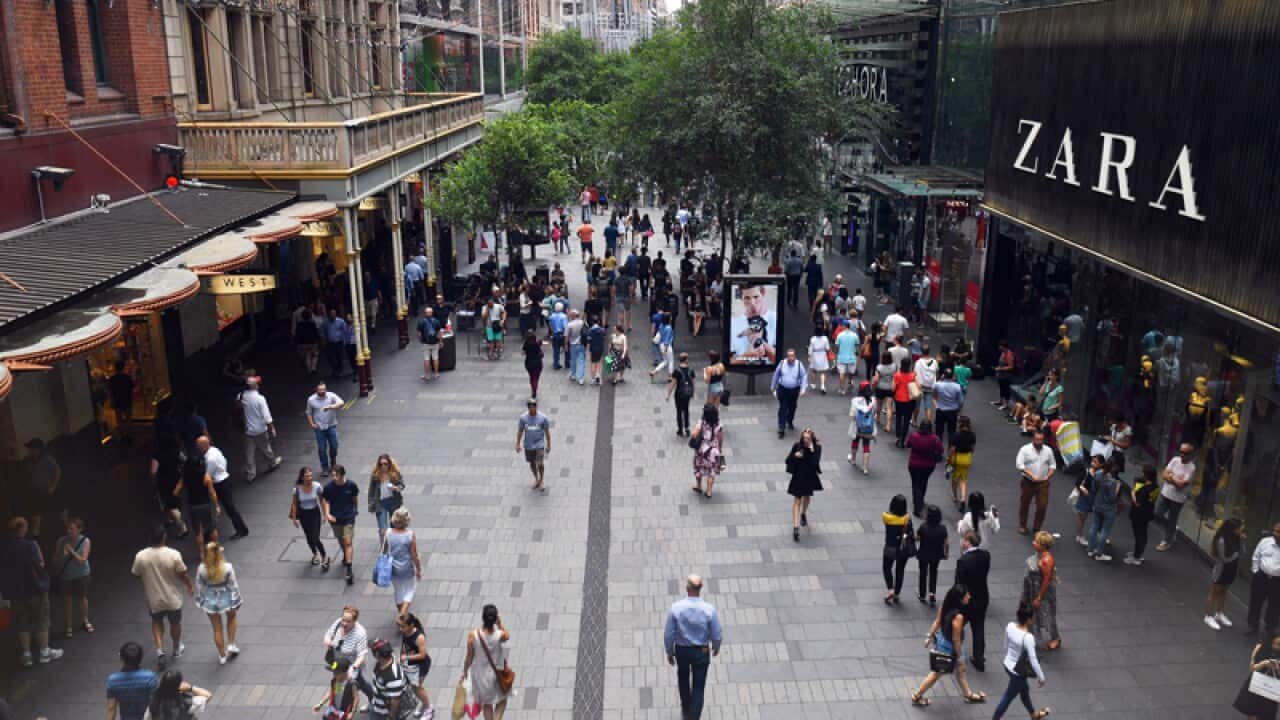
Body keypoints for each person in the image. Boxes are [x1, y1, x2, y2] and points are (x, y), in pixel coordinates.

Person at [0, 518, 62, 668]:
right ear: (22, 528)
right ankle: (44, 652)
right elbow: (40, 563)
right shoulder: (29, 545)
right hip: (34, 588)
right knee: (41, 619)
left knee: (22, 621)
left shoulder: (4, 547)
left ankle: (26, 654)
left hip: (15, 591)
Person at [911, 584, 985, 706]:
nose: (969, 597)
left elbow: (938, 621)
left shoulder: (945, 606)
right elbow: (956, 639)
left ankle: (968, 694)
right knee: (936, 674)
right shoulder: (958, 617)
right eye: (966, 595)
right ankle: (916, 696)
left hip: (943, 640)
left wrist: (929, 636)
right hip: (951, 647)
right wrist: (959, 655)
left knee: (961, 670)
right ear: (960, 599)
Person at [131, 524, 192, 668]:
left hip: (154, 599)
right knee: (175, 623)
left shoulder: (141, 556)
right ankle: (176, 648)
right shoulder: (173, 554)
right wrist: (189, 585)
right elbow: (183, 574)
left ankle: (159, 651)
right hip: (172, 599)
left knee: (157, 622)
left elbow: (135, 573)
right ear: (164, 537)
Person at [664, 574, 722, 720]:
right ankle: (693, 716)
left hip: (682, 651)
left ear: (687, 588)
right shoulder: (709, 610)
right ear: (701, 588)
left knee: (683, 678)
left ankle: (685, 706)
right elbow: (716, 633)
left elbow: (669, 634)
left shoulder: (676, 609)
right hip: (701, 651)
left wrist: (670, 652)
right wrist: (716, 646)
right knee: (698, 686)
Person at [991, 604, 1051, 720]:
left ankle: (1033, 714)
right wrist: (1041, 678)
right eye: (1033, 617)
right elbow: (1033, 661)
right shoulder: (1028, 638)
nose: (1034, 619)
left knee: (1024, 690)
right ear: (1028, 620)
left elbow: (1005, 645)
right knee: (1008, 696)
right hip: (1018, 672)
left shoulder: (1010, 626)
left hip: (1007, 664)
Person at [194, 542, 242, 664]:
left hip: (210, 600)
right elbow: (233, 585)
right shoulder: (227, 567)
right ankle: (231, 644)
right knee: (232, 617)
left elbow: (199, 586)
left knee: (216, 628)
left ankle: (222, 656)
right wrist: (236, 599)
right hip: (226, 598)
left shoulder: (201, 568)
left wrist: (200, 600)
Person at [460, 604, 511, 720]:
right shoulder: (499, 634)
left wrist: (465, 671)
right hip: (498, 673)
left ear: (483, 617)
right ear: (495, 618)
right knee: (502, 699)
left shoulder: (473, 635)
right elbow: (507, 636)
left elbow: (469, 657)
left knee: (487, 704)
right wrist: (500, 624)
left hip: (480, 675)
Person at [323, 606, 375, 712]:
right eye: (343, 619)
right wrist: (327, 640)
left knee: (360, 683)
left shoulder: (360, 633)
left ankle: (373, 700)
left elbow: (362, 655)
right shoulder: (338, 623)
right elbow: (328, 634)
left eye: (348, 621)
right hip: (338, 662)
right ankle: (339, 701)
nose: (344, 623)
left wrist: (353, 668)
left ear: (355, 621)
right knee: (338, 681)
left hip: (352, 665)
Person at [197, 435, 248, 541]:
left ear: (203, 446)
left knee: (230, 508)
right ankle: (241, 529)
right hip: (224, 478)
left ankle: (241, 530)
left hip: (220, 484)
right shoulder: (215, 450)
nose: (197, 447)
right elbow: (224, 460)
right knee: (230, 507)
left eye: (198, 445)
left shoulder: (209, 459)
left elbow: (208, 476)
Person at [955, 530, 992, 671]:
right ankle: (979, 658)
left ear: (967, 542)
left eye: (963, 540)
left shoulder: (963, 561)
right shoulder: (986, 556)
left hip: (967, 600)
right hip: (982, 598)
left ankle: (949, 650)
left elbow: (958, 584)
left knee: (956, 625)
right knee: (978, 628)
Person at [1019, 531, 1061, 650]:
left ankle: (1055, 638)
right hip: (1031, 587)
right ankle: (1029, 632)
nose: (1033, 542)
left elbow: (1046, 580)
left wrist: (1039, 597)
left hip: (1041, 592)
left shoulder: (1047, 560)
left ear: (1043, 545)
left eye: (1036, 541)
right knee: (1028, 610)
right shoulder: (1039, 555)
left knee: (1047, 614)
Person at [238, 377, 282, 483]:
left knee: (249, 452)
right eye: (257, 383)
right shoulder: (260, 398)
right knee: (266, 448)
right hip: (260, 429)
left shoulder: (241, 396)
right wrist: (272, 427)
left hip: (247, 429)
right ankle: (272, 463)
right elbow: (266, 415)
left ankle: (251, 474)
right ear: (254, 386)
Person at [53, 516, 91, 638]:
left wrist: (71, 551)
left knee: (82, 598)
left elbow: (82, 560)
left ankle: (85, 620)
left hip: (81, 574)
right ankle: (68, 626)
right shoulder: (61, 541)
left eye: (72, 528)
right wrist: (61, 556)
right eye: (68, 528)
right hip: (66, 576)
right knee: (67, 601)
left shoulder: (85, 541)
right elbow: (55, 560)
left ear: (79, 529)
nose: (69, 531)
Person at [322, 465, 360, 585]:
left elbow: (355, 498)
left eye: (336, 475)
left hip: (348, 518)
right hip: (335, 519)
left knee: (348, 542)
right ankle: (345, 555)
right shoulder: (328, 488)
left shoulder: (351, 485)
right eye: (332, 475)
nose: (334, 478)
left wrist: (355, 510)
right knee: (341, 540)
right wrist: (327, 514)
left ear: (342, 475)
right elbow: (326, 501)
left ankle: (349, 570)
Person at [1155, 442, 1197, 551]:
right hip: (1166, 493)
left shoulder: (1191, 468)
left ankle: (1167, 541)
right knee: (1157, 513)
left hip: (1178, 499)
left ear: (1191, 454)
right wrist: (1175, 479)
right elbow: (1164, 474)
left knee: (1172, 519)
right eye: (1181, 452)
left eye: (1186, 453)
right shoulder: (1175, 460)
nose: (1182, 455)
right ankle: (1172, 530)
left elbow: (1181, 485)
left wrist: (1171, 476)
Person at [1204, 518, 1244, 631]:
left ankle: (1219, 613)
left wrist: (1241, 543)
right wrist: (1237, 554)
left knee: (1224, 591)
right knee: (1214, 591)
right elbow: (1225, 559)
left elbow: (1242, 552)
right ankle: (1208, 616)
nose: (1241, 530)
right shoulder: (1221, 540)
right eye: (1239, 529)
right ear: (1232, 529)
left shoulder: (1236, 538)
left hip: (1231, 569)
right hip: (1222, 569)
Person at [17, 438, 61, 539]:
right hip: (35, 491)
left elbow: (57, 471)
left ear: (38, 449)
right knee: (35, 514)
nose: (30, 451)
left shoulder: (47, 459)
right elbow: (26, 474)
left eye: (32, 449)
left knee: (51, 512)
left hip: (46, 490)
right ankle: (36, 535)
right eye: (30, 449)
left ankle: (55, 532)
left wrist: (53, 486)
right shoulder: (28, 461)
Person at [1016, 431, 1057, 536]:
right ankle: (1022, 525)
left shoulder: (1048, 450)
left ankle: (1037, 528)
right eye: (1037, 439)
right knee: (1025, 504)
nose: (1039, 442)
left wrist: (1047, 476)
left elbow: (1052, 465)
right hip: (1028, 482)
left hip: (1043, 483)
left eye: (1041, 440)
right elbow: (1020, 465)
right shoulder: (1024, 450)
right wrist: (1032, 475)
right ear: (1033, 439)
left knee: (1042, 506)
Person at [786, 428, 824, 542]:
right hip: (798, 477)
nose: (805, 440)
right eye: (804, 438)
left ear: (812, 438)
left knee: (807, 497)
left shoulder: (817, 448)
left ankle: (803, 513)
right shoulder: (797, 446)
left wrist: (812, 451)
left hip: (809, 477)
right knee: (797, 501)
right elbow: (787, 460)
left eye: (808, 438)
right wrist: (795, 456)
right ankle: (796, 528)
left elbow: (815, 463)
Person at [385, 508, 422, 619]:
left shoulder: (388, 533)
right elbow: (413, 554)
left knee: (398, 590)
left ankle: (402, 613)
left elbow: (385, 550)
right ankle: (402, 614)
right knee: (410, 589)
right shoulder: (410, 535)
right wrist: (419, 569)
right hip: (406, 567)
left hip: (392, 567)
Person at [289, 467, 330, 571]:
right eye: (307, 476)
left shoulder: (317, 486)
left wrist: (325, 514)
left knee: (315, 537)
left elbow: (322, 500)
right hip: (303, 514)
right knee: (308, 537)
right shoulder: (297, 489)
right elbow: (294, 504)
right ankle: (315, 554)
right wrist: (294, 518)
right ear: (302, 477)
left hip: (314, 513)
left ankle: (324, 556)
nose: (310, 478)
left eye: (311, 476)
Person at [178, 452, 218, 553]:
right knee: (211, 527)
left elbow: (176, 491)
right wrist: (217, 506)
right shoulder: (205, 476)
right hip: (205, 504)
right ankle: (216, 549)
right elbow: (212, 492)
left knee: (198, 531)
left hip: (192, 505)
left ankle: (201, 553)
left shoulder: (185, 477)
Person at [369, 637, 418, 720]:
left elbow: (395, 701)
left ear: (377, 655)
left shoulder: (393, 678)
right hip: (377, 702)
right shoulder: (388, 658)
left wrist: (391, 717)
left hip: (384, 711)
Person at [106, 641, 158, 720]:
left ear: (121, 658)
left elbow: (111, 708)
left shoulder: (113, 680)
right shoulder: (150, 677)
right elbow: (154, 703)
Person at [1234, 633, 1280, 718]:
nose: (1277, 647)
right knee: (1251, 711)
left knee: (1266, 714)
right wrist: (1263, 664)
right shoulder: (1260, 648)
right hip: (1257, 683)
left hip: (1272, 688)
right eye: (1275, 644)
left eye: (1279, 645)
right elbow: (1252, 668)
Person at [729, 284, 778, 365]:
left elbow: (782, 362)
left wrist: (763, 344)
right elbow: (729, 361)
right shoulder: (733, 323)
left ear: (763, 293)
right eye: (747, 298)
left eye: (756, 297)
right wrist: (747, 355)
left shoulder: (775, 318)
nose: (752, 303)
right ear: (741, 298)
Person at [151, 435, 188, 539]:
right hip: (176, 479)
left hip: (164, 482)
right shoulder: (177, 452)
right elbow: (185, 462)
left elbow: (153, 471)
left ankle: (182, 528)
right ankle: (170, 519)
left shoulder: (157, 454)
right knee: (175, 499)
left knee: (170, 505)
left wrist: (154, 482)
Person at [397, 613, 433, 718]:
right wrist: (402, 656)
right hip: (411, 665)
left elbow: (423, 655)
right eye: (400, 626)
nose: (400, 629)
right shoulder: (405, 632)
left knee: (417, 688)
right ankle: (425, 705)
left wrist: (406, 657)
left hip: (421, 666)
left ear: (411, 625)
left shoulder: (419, 637)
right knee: (415, 687)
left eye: (403, 626)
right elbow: (404, 646)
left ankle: (429, 708)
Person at [1087, 458, 1122, 561]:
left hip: (1098, 504)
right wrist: (1117, 488)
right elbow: (1112, 498)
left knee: (1094, 526)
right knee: (1105, 530)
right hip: (1108, 509)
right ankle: (1099, 554)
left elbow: (1093, 488)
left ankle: (1090, 549)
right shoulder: (1112, 482)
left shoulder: (1097, 474)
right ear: (1113, 468)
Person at [906, 420, 944, 517]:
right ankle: (920, 498)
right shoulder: (935, 439)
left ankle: (917, 506)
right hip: (928, 465)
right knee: (924, 481)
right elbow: (941, 450)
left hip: (914, 464)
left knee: (915, 484)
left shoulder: (914, 436)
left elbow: (908, 445)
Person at [307, 383, 345, 478]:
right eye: (320, 390)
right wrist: (312, 424)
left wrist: (330, 407)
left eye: (323, 390)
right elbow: (308, 412)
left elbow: (341, 403)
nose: (322, 392)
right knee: (322, 448)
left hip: (331, 425)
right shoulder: (311, 400)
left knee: (334, 445)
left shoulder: (331, 396)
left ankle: (333, 459)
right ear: (316, 390)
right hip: (319, 428)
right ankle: (325, 468)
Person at [1248, 524, 1280, 637]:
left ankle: (1270, 628)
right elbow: (1256, 556)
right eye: (1275, 531)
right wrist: (1256, 571)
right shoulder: (1265, 541)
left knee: (1275, 606)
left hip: (1277, 582)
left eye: (1278, 532)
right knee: (1255, 602)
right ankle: (1252, 626)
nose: (1275, 534)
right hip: (1261, 577)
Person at [1125, 463, 1159, 566]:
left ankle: (1136, 557)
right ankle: (1138, 552)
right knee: (1142, 533)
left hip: (1139, 514)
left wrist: (1133, 492)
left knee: (1139, 534)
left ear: (1146, 475)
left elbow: (1137, 503)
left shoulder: (1144, 490)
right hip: (1147, 512)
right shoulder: (1155, 486)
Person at [368, 454, 405, 543]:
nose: (383, 466)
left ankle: (394, 545)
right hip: (381, 503)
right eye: (381, 464)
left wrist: (395, 488)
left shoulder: (395, 474)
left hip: (393, 502)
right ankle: (384, 551)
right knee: (383, 529)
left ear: (389, 464)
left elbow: (402, 486)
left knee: (394, 526)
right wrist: (371, 504)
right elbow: (371, 491)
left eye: (385, 464)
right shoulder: (376, 476)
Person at [516, 399, 552, 493]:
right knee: (532, 463)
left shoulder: (543, 418)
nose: (533, 408)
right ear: (528, 408)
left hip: (539, 444)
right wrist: (517, 444)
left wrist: (548, 444)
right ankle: (536, 479)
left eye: (534, 406)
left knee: (540, 463)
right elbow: (520, 431)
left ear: (536, 407)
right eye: (531, 407)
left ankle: (541, 480)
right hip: (528, 445)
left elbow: (547, 431)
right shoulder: (523, 418)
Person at [771, 349, 808, 439]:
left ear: (795, 356)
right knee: (783, 407)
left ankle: (790, 420)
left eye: (792, 356)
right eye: (789, 356)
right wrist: (773, 387)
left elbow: (803, 376)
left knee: (792, 407)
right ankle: (781, 428)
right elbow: (776, 374)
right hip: (783, 389)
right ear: (787, 357)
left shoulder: (799, 365)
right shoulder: (782, 363)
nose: (791, 358)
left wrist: (803, 388)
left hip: (794, 390)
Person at [916, 505, 949, 606]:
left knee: (923, 573)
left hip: (924, 554)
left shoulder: (923, 527)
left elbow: (917, 537)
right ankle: (932, 593)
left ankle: (922, 594)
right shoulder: (942, 528)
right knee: (933, 572)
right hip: (936, 554)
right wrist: (946, 553)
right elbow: (946, 543)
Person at [882, 495, 912, 605]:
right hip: (903, 549)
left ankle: (890, 589)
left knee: (886, 567)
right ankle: (897, 593)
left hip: (890, 547)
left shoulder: (886, 517)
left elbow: (885, 519)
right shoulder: (907, 519)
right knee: (900, 570)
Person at [146, 670, 212, 720]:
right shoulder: (186, 702)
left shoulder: (153, 698)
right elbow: (208, 696)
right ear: (178, 686)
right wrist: (190, 688)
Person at [849, 381, 877, 475]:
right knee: (866, 446)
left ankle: (853, 459)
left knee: (855, 442)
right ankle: (865, 468)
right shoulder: (873, 400)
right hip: (868, 427)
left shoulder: (855, 400)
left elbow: (852, 415)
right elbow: (875, 413)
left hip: (857, 427)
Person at [950, 416, 977, 512]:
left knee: (955, 478)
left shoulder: (956, 435)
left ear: (960, 424)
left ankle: (954, 496)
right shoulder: (972, 435)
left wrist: (949, 460)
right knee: (964, 479)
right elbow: (973, 449)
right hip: (967, 458)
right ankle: (963, 498)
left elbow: (952, 449)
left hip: (958, 458)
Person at [667, 353, 697, 436]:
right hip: (687, 394)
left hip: (679, 394)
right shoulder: (691, 370)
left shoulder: (677, 371)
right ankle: (687, 428)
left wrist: (668, 395)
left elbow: (672, 384)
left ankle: (680, 429)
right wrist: (693, 393)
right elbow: (693, 383)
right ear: (686, 359)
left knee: (679, 411)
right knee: (686, 410)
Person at [933, 368, 964, 444]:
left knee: (939, 432)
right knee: (951, 432)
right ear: (953, 376)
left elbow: (934, 396)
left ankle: (938, 452)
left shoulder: (937, 385)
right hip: (952, 412)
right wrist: (959, 410)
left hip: (940, 411)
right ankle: (951, 452)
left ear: (943, 375)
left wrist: (936, 406)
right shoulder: (957, 386)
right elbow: (961, 401)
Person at [892, 358, 917, 448]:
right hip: (910, 400)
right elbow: (917, 386)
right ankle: (903, 440)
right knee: (906, 420)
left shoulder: (897, 375)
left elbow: (893, 388)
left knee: (898, 417)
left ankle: (898, 436)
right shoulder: (913, 375)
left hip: (899, 399)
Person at [417, 307, 443, 381]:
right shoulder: (436, 321)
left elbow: (419, 333)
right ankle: (436, 374)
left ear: (425, 313)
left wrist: (421, 340)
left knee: (426, 359)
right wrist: (440, 341)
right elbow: (439, 332)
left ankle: (427, 375)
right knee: (435, 358)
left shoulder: (421, 322)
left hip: (426, 343)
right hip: (435, 343)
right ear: (432, 313)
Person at [650, 312, 676, 380]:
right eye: (670, 317)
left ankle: (654, 372)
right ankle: (670, 376)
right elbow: (667, 339)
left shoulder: (661, 325)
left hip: (661, 345)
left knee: (665, 361)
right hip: (666, 346)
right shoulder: (669, 328)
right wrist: (666, 349)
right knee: (671, 361)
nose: (671, 318)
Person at [807, 326, 831, 394]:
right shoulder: (825, 338)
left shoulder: (813, 339)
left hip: (815, 355)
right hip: (822, 354)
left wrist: (809, 356)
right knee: (823, 372)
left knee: (814, 371)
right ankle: (823, 386)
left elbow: (810, 349)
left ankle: (813, 384)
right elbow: (827, 348)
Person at [565, 309, 587, 385]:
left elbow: (567, 336)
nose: (570, 316)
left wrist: (565, 345)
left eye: (571, 315)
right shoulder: (583, 323)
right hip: (582, 344)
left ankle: (573, 375)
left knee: (573, 360)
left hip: (573, 345)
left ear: (573, 316)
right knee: (581, 361)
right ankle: (581, 378)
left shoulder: (570, 325)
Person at [586, 318, 608, 385]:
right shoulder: (602, 330)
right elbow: (604, 339)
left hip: (593, 349)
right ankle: (598, 376)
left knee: (593, 363)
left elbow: (589, 342)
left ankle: (593, 379)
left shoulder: (590, 330)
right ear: (598, 322)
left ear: (592, 322)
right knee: (599, 363)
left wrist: (588, 351)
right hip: (600, 348)